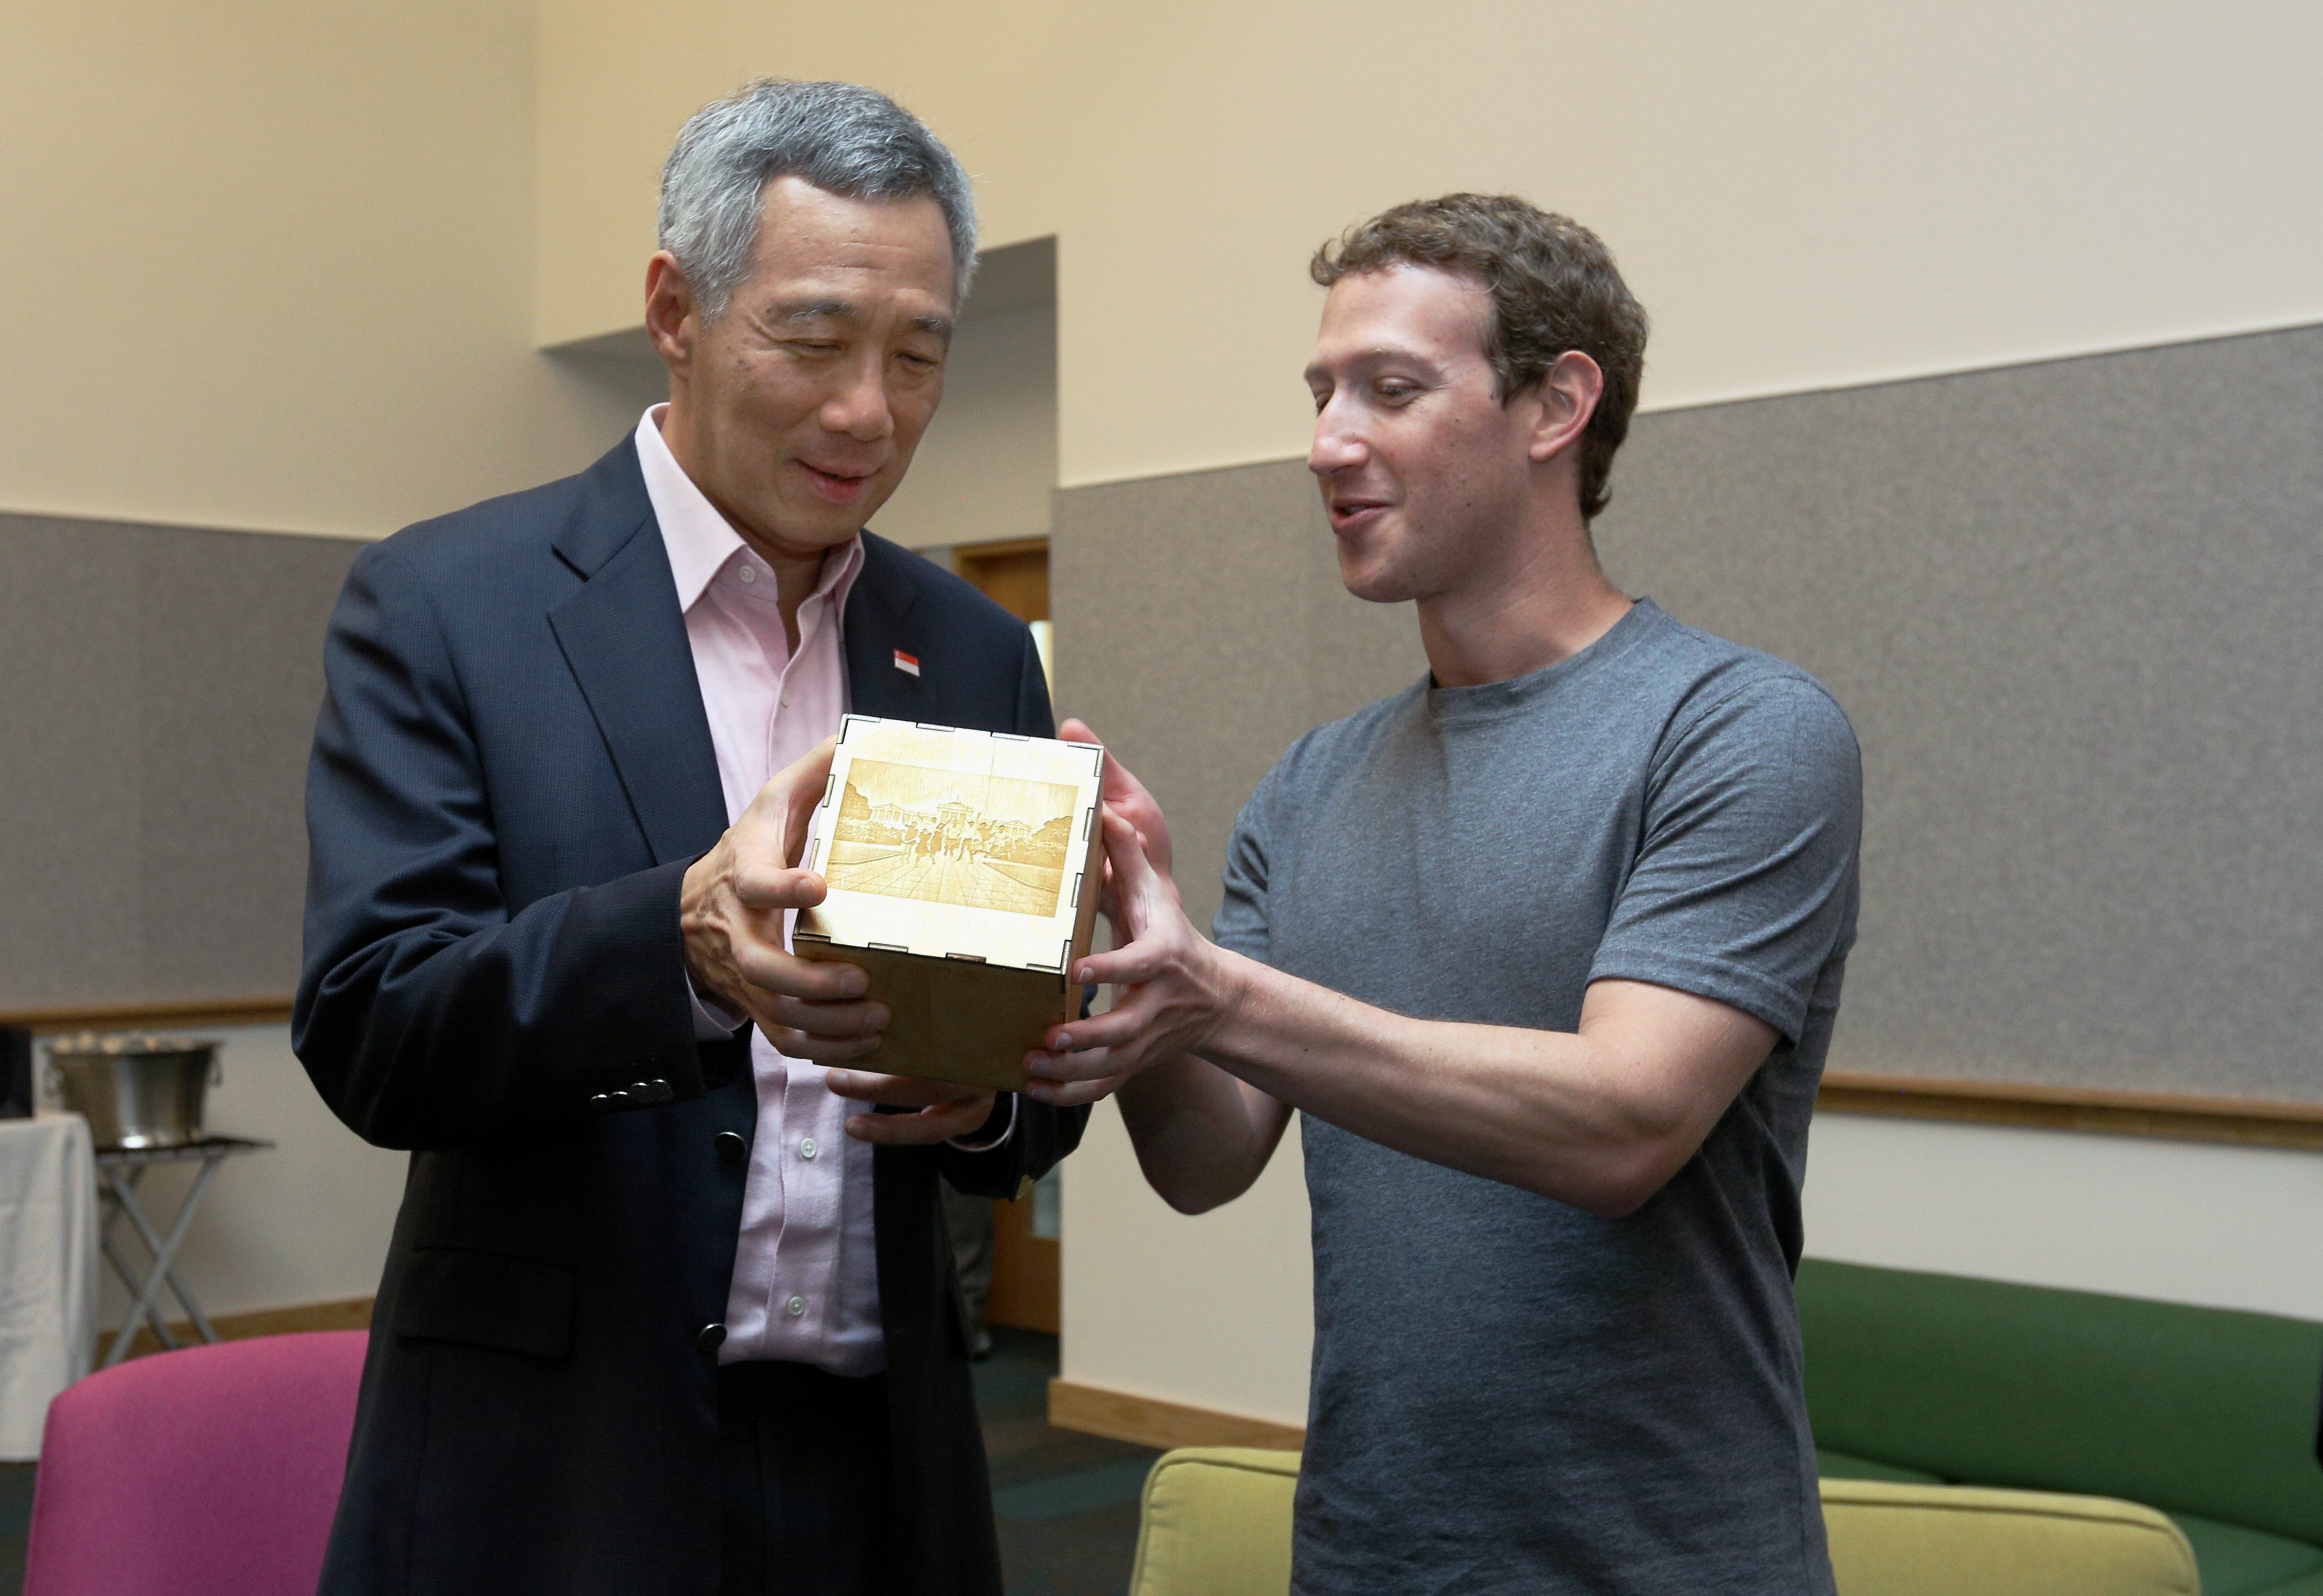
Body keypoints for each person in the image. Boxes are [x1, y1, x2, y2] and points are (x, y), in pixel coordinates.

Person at [297, 80, 1084, 1596]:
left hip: (888, 1460)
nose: (871, 409)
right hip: (557, 1462)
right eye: (813, 339)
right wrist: (678, 939)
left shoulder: (974, 650)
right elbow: (375, 1026)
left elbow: (1023, 1110)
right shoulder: (450, 605)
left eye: (918, 356)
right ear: (676, 307)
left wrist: (1005, 1083)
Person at [1030, 195, 1863, 1594]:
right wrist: (1128, 949)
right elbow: (1205, 1163)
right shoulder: (1312, 786)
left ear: (1556, 406)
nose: (1327, 442)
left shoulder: (1740, 730)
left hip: (1665, 1564)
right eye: (1321, 393)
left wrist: (1217, 991)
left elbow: (1627, 1121)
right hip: (1372, 1555)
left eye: (1391, 390)